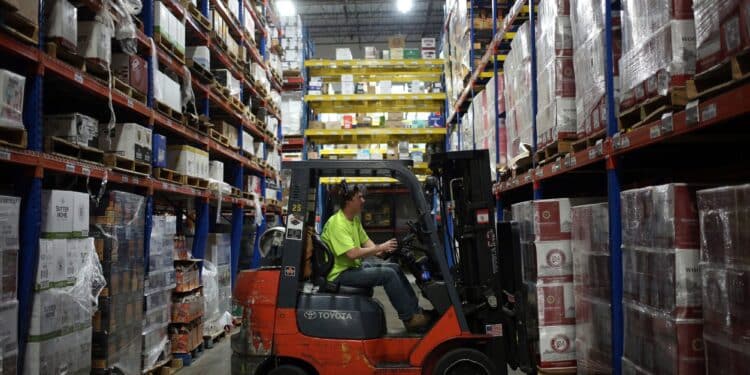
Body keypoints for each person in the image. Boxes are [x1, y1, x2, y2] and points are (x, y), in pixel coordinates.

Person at [320, 183, 431, 333]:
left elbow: (370, 246)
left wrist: (388, 249)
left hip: (351, 267)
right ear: (348, 201)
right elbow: (352, 253)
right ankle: (410, 318)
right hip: (339, 274)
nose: (363, 200)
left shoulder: (354, 220)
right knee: (388, 275)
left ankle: (415, 311)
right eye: (360, 197)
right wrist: (380, 247)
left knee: (394, 267)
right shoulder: (337, 223)